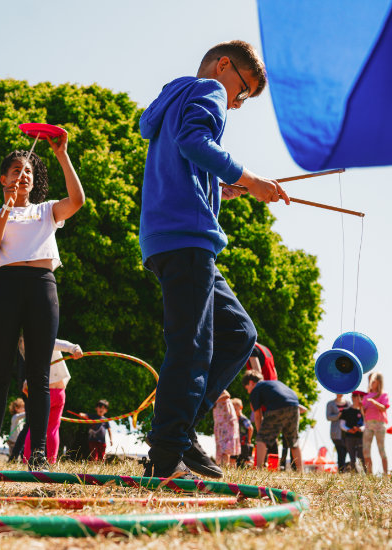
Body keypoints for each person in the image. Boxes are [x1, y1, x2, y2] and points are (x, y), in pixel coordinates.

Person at [138, 40, 289, 480]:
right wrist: (251, 178)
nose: (237, 104)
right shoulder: (209, 90)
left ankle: (177, 431)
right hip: (186, 237)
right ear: (224, 66)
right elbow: (194, 140)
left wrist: (221, 187)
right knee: (192, 344)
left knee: (239, 333)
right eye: (242, 92)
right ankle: (167, 453)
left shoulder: (176, 97)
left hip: (175, 235)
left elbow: (183, 158)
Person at [0, 131, 85, 471]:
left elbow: (77, 200)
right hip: (5, 286)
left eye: (29, 172)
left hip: (41, 286)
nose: (23, 176)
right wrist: (7, 209)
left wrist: (62, 154)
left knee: (39, 375)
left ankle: (38, 455)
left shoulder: (47, 211)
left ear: (34, 182)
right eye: (16, 171)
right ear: (4, 178)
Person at [21, 337, 83, 464]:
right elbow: (62, 344)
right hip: (59, 392)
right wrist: (75, 348)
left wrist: (27, 383)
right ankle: (51, 461)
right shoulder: (43, 339)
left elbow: (34, 370)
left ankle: (27, 460)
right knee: (53, 428)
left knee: (34, 426)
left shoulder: (30, 348)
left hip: (43, 393)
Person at [243, 372, 303, 472]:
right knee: (293, 442)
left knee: (261, 440)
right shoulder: (273, 383)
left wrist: (260, 435)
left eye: (247, 388)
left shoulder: (256, 390)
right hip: (294, 405)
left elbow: (258, 416)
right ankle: (301, 472)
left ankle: (258, 470)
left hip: (277, 406)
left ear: (251, 382)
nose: (248, 391)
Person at [362, 371, 390, 474]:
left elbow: (384, 408)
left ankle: (385, 473)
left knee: (381, 449)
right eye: (369, 381)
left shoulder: (383, 394)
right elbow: (363, 412)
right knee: (366, 450)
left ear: (379, 382)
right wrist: (361, 406)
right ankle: (369, 474)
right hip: (368, 424)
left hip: (379, 424)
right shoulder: (366, 396)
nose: (371, 383)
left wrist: (374, 402)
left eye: (373, 381)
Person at [339, 391, 365, 472]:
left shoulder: (364, 411)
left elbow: (366, 423)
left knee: (362, 457)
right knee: (352, 457)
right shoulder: (346, 411)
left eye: (361, 398)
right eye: (357, 397)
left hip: (360, 437)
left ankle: (366, 473)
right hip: (349, 437)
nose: (359, 400)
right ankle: (354, 474)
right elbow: (342, 424)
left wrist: (360, 428)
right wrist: (348, 430)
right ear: (353, 398)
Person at [213, 390, 240, 466]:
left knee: (224, 446)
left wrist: (214, 401)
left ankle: (224, 465)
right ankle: (222, 465)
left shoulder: (218, 387)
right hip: (221, 422)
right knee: (222, 445)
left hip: (226, 422)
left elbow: (227, 395)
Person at [326, 393, 351, 473]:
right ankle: (341, 471)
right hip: (336, 433)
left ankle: (345, 469)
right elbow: (328, 417)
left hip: (347, 432)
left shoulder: (348, 403)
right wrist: (338, 415)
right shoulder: (330, 404)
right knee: (340, 451)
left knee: (346, 450)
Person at [231, 397, 253, 467]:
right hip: (235, 442)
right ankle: (233, 468)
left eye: (235, 409)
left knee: (244, 457)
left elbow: (250, 428)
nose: (234, 411)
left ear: (241, 408)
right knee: (234, 457)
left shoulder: (243, 419)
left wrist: (249, 439)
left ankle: (246, 466)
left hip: (243, 441)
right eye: (232, 410)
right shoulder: (233, 419)